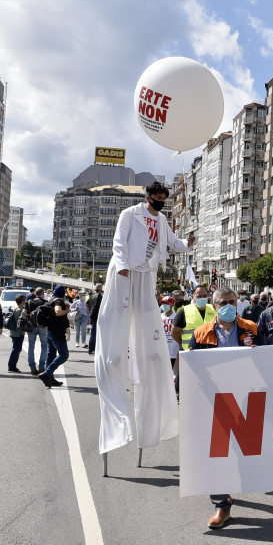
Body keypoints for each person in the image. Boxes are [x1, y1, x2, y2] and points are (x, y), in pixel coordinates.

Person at [94, 181, 194, 455]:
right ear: (147, 197)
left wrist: (188, 243)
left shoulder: (161, 219)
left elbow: (173, 243)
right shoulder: (130, 214)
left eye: (163, 198)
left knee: (147, 315)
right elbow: (118, 241)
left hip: (145, 273)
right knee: (119, 310)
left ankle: (147, 351)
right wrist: (123, 265)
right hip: (126, 270)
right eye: (156, 198)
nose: (159, 201)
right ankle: (114, 352)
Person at [187, 287, 260, 529]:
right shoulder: (201, 333)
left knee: (243, 450)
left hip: (246, 398)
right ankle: (221, 505)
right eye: (222, 302)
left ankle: (232, 488)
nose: (228, 305)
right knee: (217, 452)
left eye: (232, 301)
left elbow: (269, 359)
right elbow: (192, 367)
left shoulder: (251, 328)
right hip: (214, 400)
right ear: (214, 306)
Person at [38, 285, 71, 388]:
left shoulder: (51, 300)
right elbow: (57, 312)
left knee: (51, 354)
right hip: (57, 332)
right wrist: (66, 311)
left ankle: (50, 379)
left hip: (50, 330)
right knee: (64, 354)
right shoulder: (59, 301)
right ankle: (47, 373)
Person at [24, 287, 48, 374]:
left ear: (35, 294)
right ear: (42, 294)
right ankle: (42, 366)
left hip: (31, 326)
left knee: (31, 347)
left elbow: (24, 312)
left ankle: (32, 367)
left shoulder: (29, 302)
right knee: (44, 346)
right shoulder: (46, 303)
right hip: (43, 327)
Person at [6, 294, 27, 373]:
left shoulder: (14, 307)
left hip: (13, 331)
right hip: (18, 333)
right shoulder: (21, 310)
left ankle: (12, 366)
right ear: (22, 301)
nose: (25, 302)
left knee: (16, 349)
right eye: (24, 300)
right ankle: (12, 366)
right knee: (16, 349)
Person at [159, 296, 178, 369]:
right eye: (163, 303)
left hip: (174, 351)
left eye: (167, 303)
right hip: (162, 351)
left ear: (172, 304)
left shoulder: (176, 316)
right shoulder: (159, 317)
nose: (164, 305)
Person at [87, 283, 103, 356]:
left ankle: (91, 349)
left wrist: (89, 311)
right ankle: (92, 349)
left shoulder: (91, 295)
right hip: (97, 316)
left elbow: (86, 304)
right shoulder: (99, 296)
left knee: (93, 333)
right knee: (95, 333)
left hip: (92, 315)